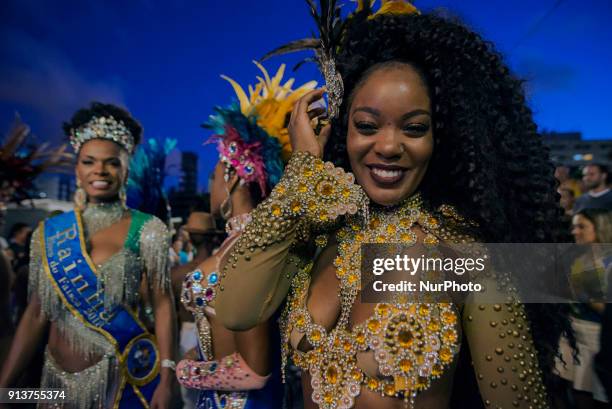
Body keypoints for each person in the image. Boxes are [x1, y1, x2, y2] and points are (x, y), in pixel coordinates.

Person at [215, 1, 572, 408]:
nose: (387, 146)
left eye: (414, 128)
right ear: (338, 131)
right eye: (366, 126)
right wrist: (300, 177)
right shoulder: (313, 234)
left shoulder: (458, 252)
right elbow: (234, 310)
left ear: (441, 138)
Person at [0, 102, 177, 409]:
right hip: (53, 386)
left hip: (119, 381)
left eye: (112, 163)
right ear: (77, 168)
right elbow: (36, 314)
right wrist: (5, 386)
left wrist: (167, 378)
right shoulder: (49, 232)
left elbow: (163, 305)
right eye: (89, 162)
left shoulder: (148, 229)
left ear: (126, 168)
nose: (100, 171)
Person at [175, 62, 317, 409]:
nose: (210, 189)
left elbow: (255, 370)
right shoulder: (247, 243)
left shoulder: (254, 248)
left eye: (212, 178)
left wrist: (184, 371)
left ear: (233, 176)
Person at [555, 208, 611, 408]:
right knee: (562, 388)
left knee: (585, 396)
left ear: (598, 229)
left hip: (595, 336)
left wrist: (583, 293)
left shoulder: (608, 263)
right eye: (574, 226)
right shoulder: (577, 259)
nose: (575, 231)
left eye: (582, 226)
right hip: (571, 331)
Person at [171, 211, 224, 408]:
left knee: (190, 398)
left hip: (186, 335)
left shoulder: (177, 274)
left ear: (190, 239)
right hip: (217, 333)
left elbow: (170, 315)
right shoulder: (223, 271)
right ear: (214, 238)